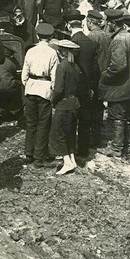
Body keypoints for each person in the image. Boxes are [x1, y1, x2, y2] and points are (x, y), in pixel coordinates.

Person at [97, 9, 130, 158]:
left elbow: (118, 66)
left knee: (118, 116)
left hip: (120, 87)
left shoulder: (119, 40)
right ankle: (125, 145)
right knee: (127, 117)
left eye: (108, 22)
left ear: (113, 23)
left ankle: (116, 148)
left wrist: (104, 76)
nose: (107, 25)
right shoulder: (128, 36)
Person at [22, 23, 59, 167]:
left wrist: (27, 84)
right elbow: (54, 75)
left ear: (38, 36)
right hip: (44, 88)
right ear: (50, 37)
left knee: (31, 122)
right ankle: (39, 156)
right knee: (43, 123)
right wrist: (53, 90)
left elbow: (24, 72)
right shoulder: (52, 53)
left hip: (31, 87)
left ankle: (28, 153)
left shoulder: (31, 51)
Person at [64, 10, 97, 159]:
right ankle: (83, 150)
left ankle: (69, 149)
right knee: (85, 120)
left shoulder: (72, 43)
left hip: (73, 88)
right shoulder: (90, 41)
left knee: (70, 119)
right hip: (87, 87)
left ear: (68, 25)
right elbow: (94, 67)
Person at [49, 40, 81, 174]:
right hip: (74, 103)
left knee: (58, 134)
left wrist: (52, 100)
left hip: (64, 104)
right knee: (70, 133)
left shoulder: (62, 66)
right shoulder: (76, 67)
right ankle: (72, 159)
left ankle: (67, 162)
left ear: (61, 52)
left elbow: (58, 89)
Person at [86, 10, 111, 148]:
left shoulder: (91, 37)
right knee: (99, 107)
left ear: (90, 22)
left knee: (91, 108)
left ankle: (93, 138)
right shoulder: (107, 35)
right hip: (105, 75)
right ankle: (98, 135)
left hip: (94, 76)